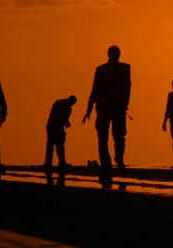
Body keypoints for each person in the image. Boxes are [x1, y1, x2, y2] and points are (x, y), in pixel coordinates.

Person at [83, 45, 132, 187]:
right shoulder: (124, 69)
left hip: (106, 108)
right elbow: (128, 88)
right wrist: (124, 104)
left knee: (104, 139)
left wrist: (89, 109)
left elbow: (95, 90)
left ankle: (107, 164)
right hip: (116, 108)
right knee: (118, 137)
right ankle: (119, 160)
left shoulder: (102, 70)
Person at [45, 95, 77, 182]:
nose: (72, 105)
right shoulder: (65, 107)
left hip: (53, 125)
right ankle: (55, 163)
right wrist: (66, 122)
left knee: (54, 145)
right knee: (56, 145)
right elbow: (60, 117)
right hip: (54, 125)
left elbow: (60, 117)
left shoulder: (58, 103)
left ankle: (54, 163)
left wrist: (65, 122)